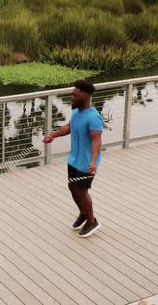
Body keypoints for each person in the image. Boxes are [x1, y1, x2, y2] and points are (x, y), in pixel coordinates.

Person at [43, 80, 103, 238]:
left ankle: (92, 221)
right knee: (72, 187)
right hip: (74, 159)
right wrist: (53, 135)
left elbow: (97, 141)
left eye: (75, 95)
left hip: (86, 163)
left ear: (86, 95)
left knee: (82, 192)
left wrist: (92, 162)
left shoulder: (94, 117)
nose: (72, 97)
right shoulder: (77, 112)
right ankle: (83, 213)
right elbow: (69, 127)